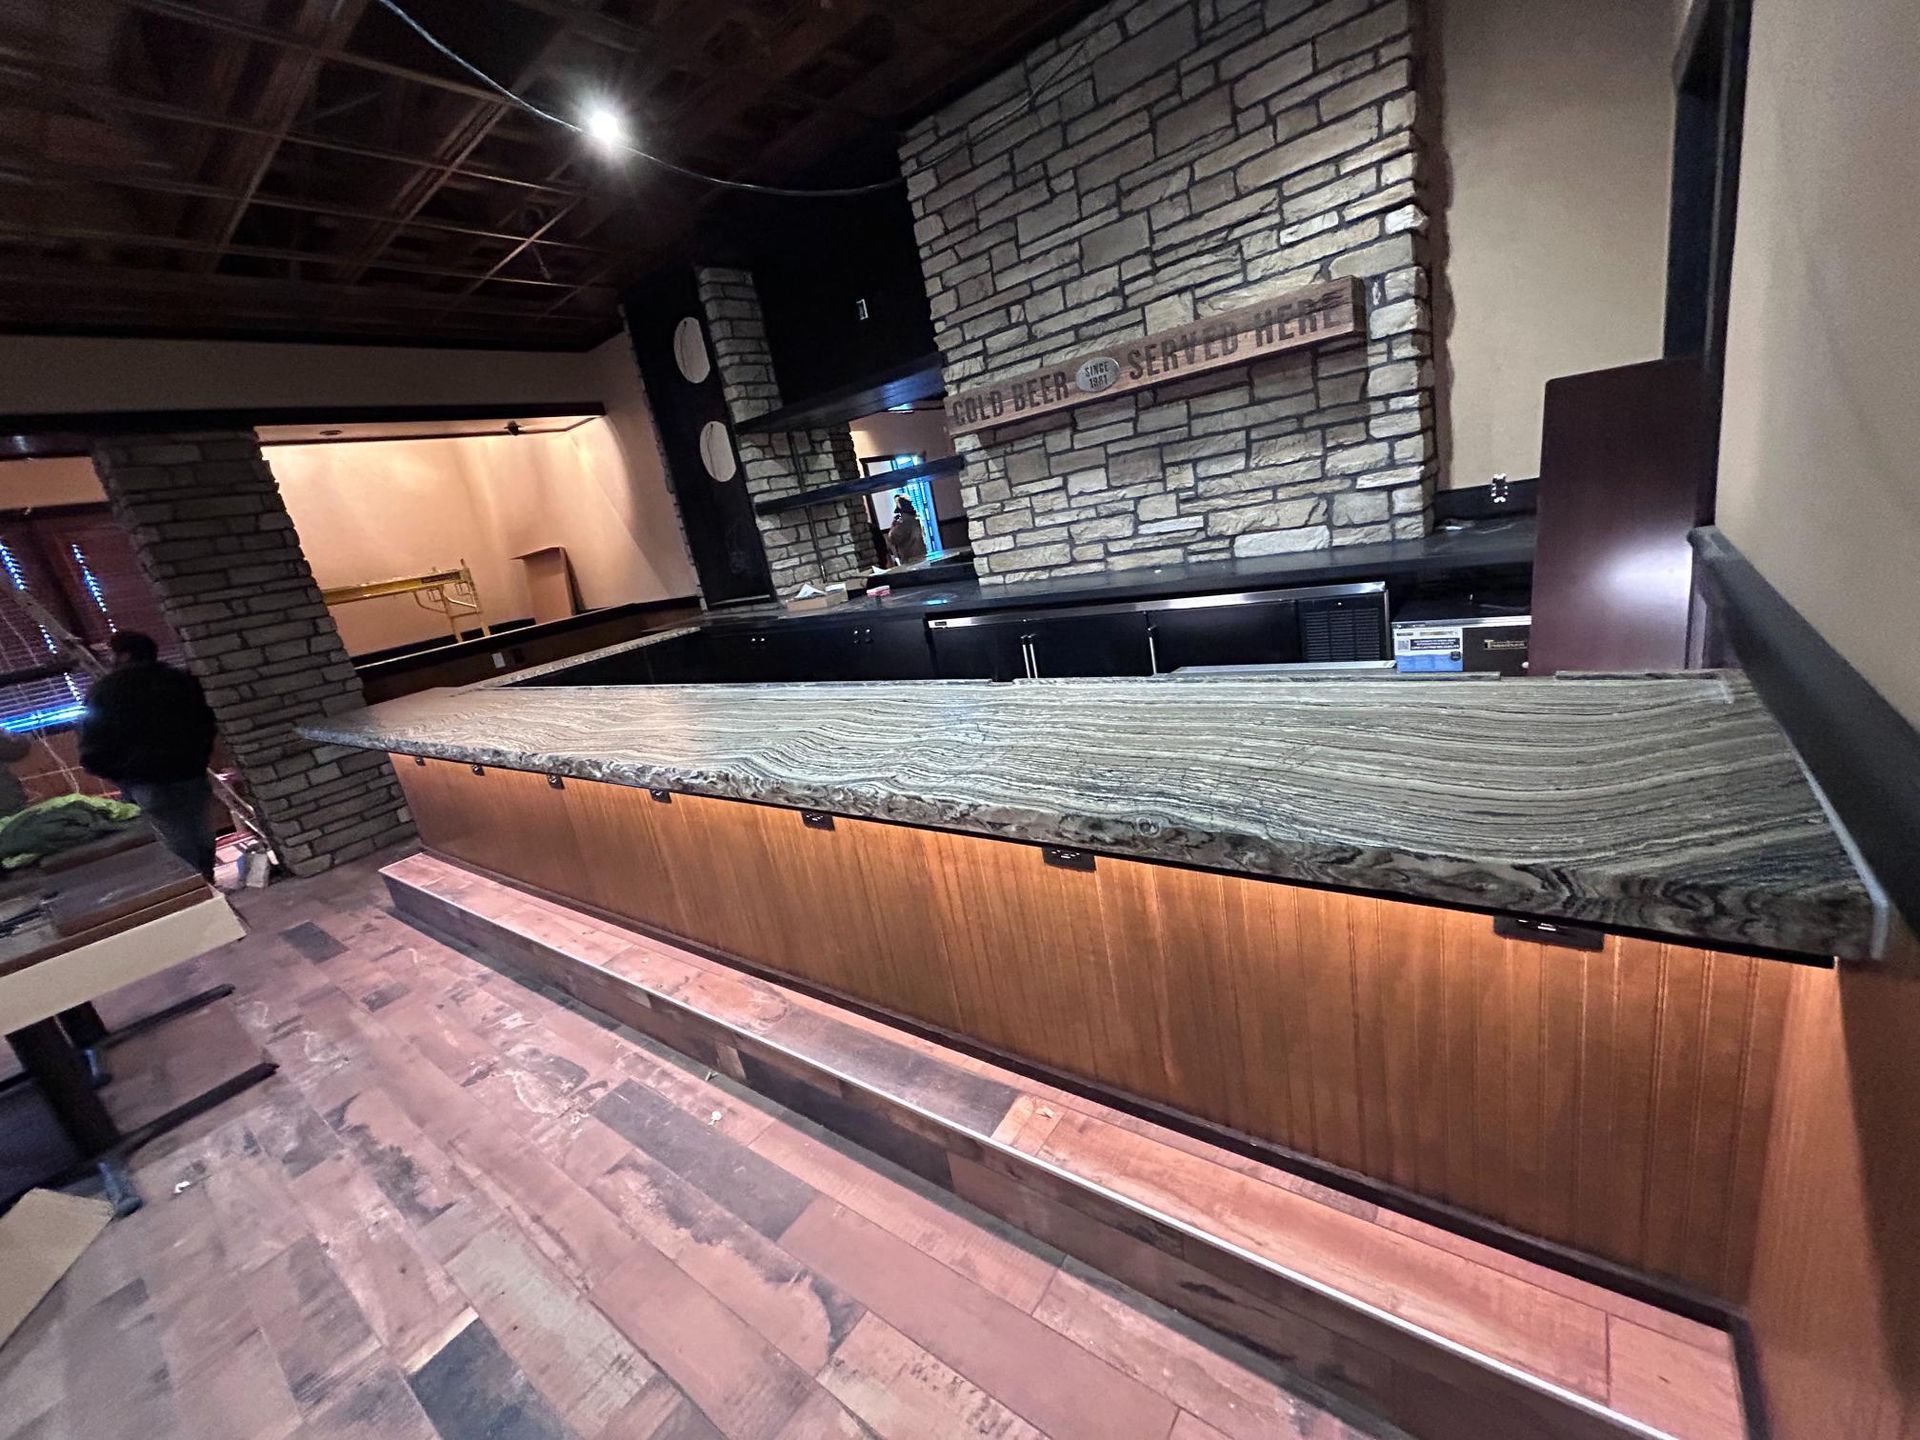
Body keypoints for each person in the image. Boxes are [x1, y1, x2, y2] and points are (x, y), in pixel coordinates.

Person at [78, 631, 219, 878]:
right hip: (189, 770)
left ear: (124, 655)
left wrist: (120, 775)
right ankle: (207, 878)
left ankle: (198, 889)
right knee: (201, 831)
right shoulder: (178, 681)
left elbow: (93, 743)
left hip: (144, 779)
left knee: (173, 838)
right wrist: (199, 756)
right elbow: (206, 723)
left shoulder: (105, 693)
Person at [887, 495, 928, 566]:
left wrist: (893, 525)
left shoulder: (904, 523)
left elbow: (893, 538)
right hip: (921, 556)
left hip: (910, 560)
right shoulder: (916, 520)